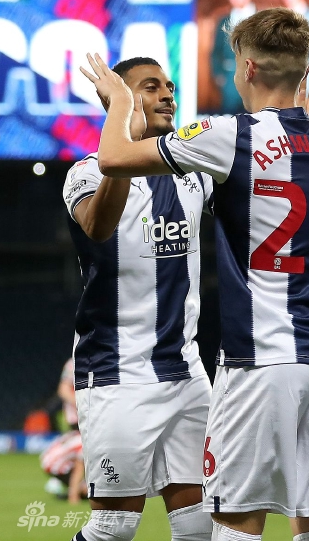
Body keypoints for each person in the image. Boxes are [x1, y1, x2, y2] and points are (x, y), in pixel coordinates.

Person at [80, 7, 309, 541]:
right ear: (305, 71)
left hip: (262, 359)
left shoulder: (227, 135)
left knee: (236, 521)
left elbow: (114, 157)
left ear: (248, 69)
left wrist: (119, 100)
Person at [62, 57, 214, 541]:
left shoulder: (194, 174)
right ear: (120, 99)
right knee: (114, 528)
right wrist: (122, 129)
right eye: (151, 87)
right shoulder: (85, 174)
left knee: (201, 526)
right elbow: (98, 226)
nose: (168, 94)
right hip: (117, 374)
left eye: (170, 86)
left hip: (187, 373)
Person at [211, 0, 256, 113]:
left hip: (256, 81)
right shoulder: (223, 21)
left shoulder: (262, 18)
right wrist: (220, 76)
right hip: (230, 82)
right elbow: (216, 51)